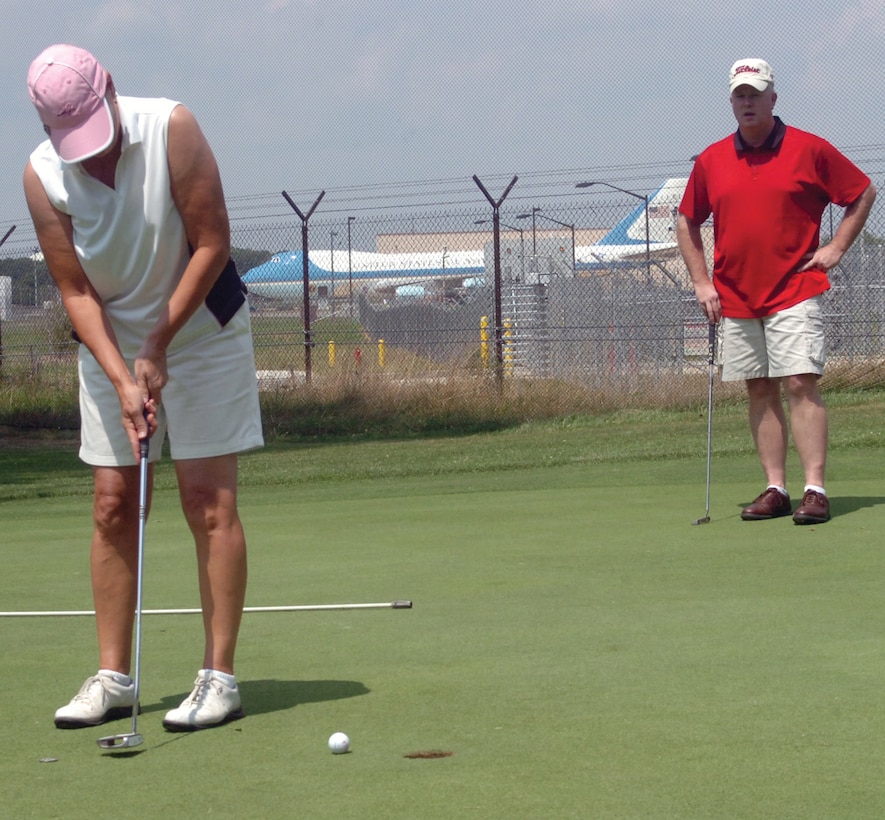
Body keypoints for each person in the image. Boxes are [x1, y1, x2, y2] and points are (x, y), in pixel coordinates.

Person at [24, 44, 264, 731]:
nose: (93, 159)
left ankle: (219, 678)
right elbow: (73, 288)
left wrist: (157, 345)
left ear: (111, 92)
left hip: (202, 331)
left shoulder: (171, 128)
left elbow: (213, 241)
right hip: (111, 345)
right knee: (112, 501)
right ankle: (114, 678)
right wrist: (122, 371)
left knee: (206, 497)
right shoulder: (42, 176)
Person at [677, 58, 876, 525]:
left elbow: (862, 192)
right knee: (760, 387)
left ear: (773, 98)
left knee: (800, 381)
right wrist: (702, 281)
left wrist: (836, 248)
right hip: (735, 294)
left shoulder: (810, 149)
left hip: (795, 286)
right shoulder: (711, 159)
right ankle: (775, 488)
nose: (747, 102)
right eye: (739, 95)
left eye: (755, 93)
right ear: (731, 101)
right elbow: (687, 219)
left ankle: (815, 489)